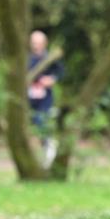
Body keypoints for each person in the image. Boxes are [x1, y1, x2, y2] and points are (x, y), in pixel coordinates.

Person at [27, 29, 63, 167]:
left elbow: (60, 73)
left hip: (45, 100)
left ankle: (49, 152)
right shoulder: (28, 59)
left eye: (38, 42)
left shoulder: (50, 58)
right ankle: (40, 154)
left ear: (44, 43)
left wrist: (51, 80)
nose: (35, 45)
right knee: (34, 125)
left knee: (43, 123)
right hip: (30, 99)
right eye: (33, 42)